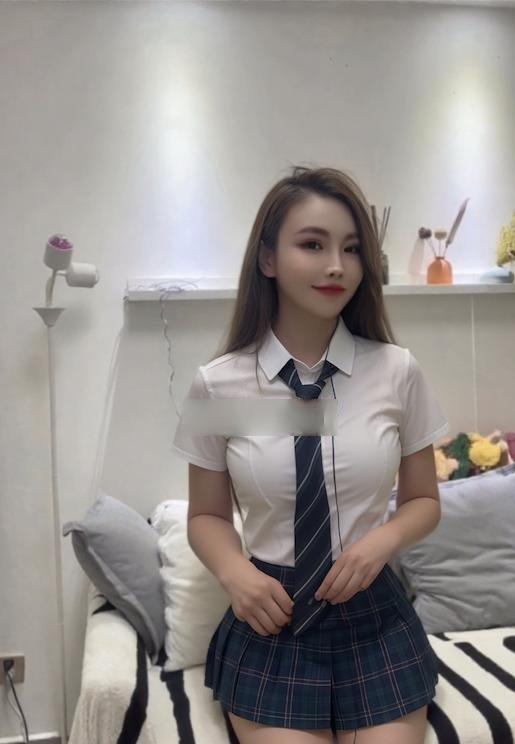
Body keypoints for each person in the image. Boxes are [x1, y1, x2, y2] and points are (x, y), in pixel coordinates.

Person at [171, 165, 450, 744]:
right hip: (273, 616)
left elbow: (424, 501)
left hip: (374, 615)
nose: (336, 266)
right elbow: (205, 516)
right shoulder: (218, 385)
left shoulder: (397, 371)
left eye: (351, 249)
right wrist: (235, 575)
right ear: (267, 259)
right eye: (313, 245)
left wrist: (381, 543)